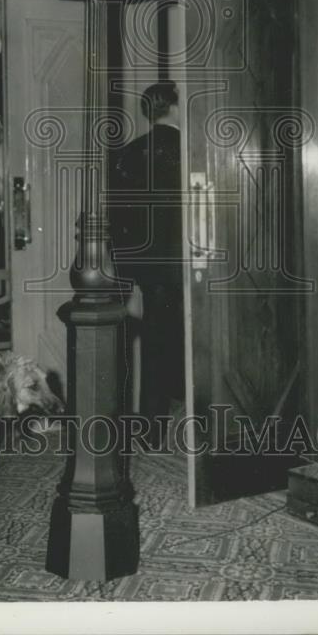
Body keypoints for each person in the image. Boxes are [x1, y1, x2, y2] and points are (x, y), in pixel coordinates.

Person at [110, 82, 184, 443]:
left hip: (149, 273)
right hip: (190, 268)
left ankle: (152, 430)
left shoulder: (128, 154)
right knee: (192, 346)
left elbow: (119, 224)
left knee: (156, 348)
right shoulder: (190, 152)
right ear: (175, 107)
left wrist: (129, 281)